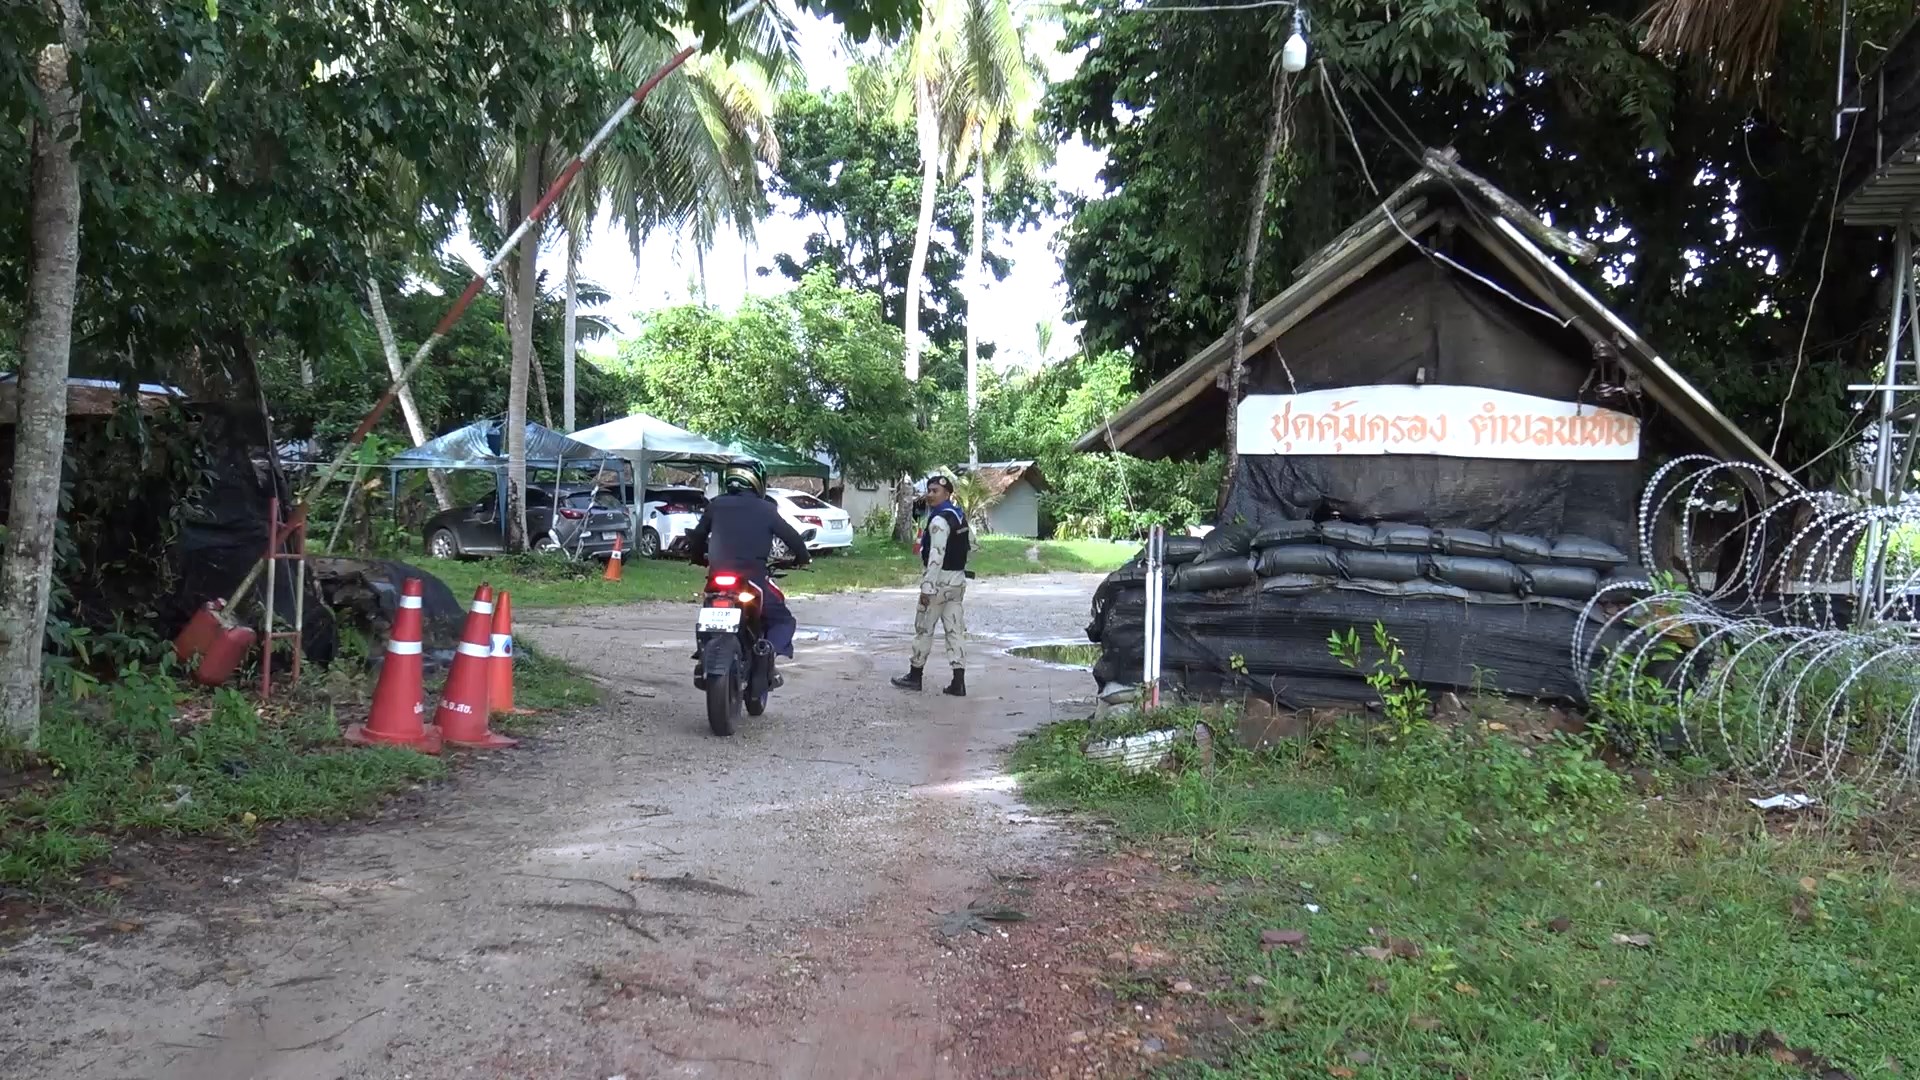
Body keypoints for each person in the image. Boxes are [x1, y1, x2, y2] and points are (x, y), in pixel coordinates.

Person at [685, 462, 810, 682]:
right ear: (757, 481)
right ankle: (767, 652)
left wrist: (697, 557)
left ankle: (704, 650)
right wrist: (802, 557)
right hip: (752, 580)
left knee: (708, 605)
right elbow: (793, 539)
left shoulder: (716, 505)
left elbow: (697, 537)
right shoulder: (767, 509)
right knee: (782, 620)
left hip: (716, 579)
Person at [892, 473, 971, 696]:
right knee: (955, 630)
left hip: (939, 583)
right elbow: (971, 544)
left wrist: (927, 587)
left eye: (935, 491)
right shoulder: (958, 516)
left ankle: (915, 676)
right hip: (957, 581)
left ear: (947, 494)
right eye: (929, 490)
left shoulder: (938, 520)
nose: (930, 495)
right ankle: (958, 681)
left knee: (924, 628)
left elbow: (936, 555)